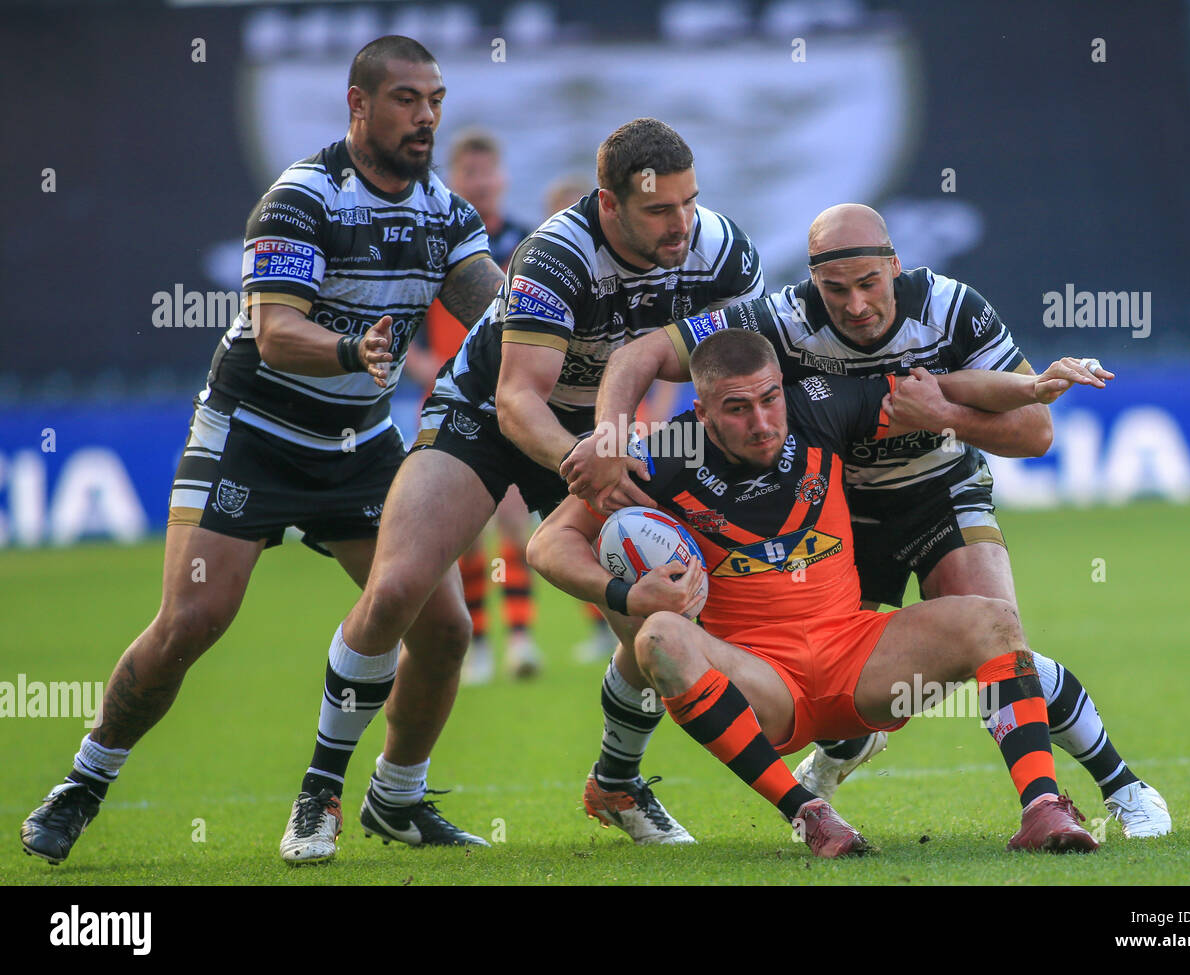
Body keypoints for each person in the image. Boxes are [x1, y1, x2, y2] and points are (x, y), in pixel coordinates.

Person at [19, 36, 505, 866]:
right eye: (406, 99)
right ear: (358, 105)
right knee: (193, 620)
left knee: (447, 627)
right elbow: (277, 334)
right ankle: (84, 780)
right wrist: (357, 353)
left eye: (435, 99)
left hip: (359, 445)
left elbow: (499, 315)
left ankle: (396, 796)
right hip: (254, 434)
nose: (425, 116)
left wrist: (564, 331)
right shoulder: (300, 199)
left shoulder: (445, 214)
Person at [563, 204, 1171, 841]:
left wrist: (944, 414)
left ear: (894, 266)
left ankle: (1120, 785)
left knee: (997, 641)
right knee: (832, 674)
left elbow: (1035, 432)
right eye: (835, 290)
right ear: (812, 284)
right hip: (845, 508)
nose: (853, 305)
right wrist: (610, 437)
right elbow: (639, 354)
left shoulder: (953, 307)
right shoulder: (779, 318)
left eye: (868, 284)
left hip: (941, 492)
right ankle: (840, 749)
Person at [278, 117, 766, 861]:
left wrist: (661, 447)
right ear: (609, 204)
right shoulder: (556, 254)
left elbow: (735, 372)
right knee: (397, 585)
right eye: (659, 211)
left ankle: (618, 779)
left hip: (599, 428)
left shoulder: (722, 250)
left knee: (655, 606)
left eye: (689, 203)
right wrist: (591, 456)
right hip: (487, 414)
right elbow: (515, 399)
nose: (681, 225)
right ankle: (323, 788)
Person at [531, 329, 1109, 856]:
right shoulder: (659, 452)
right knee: (658, 636)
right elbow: (548, 543)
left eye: (769, 399)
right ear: (701, 413)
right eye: (736, 409)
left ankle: (1042, 808)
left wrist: (1030, 385)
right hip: (762, 681)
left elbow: (942, 386)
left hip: (857, 659)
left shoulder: (820, 405)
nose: (761, 421)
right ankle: (809, 814)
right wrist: (626, 596)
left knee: (993, 619)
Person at [405, 128, 541, 684]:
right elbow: (403, 335)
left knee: (511, 522)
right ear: (454, 182)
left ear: (501, 178)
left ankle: (521, 639)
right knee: (462, 532)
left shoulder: (529, 246)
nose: (480, 183)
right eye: (469, 175)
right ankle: (478, 642)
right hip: (447, 405)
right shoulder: (434, 248)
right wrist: (429, 373)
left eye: (488, 173)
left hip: (506, 401)